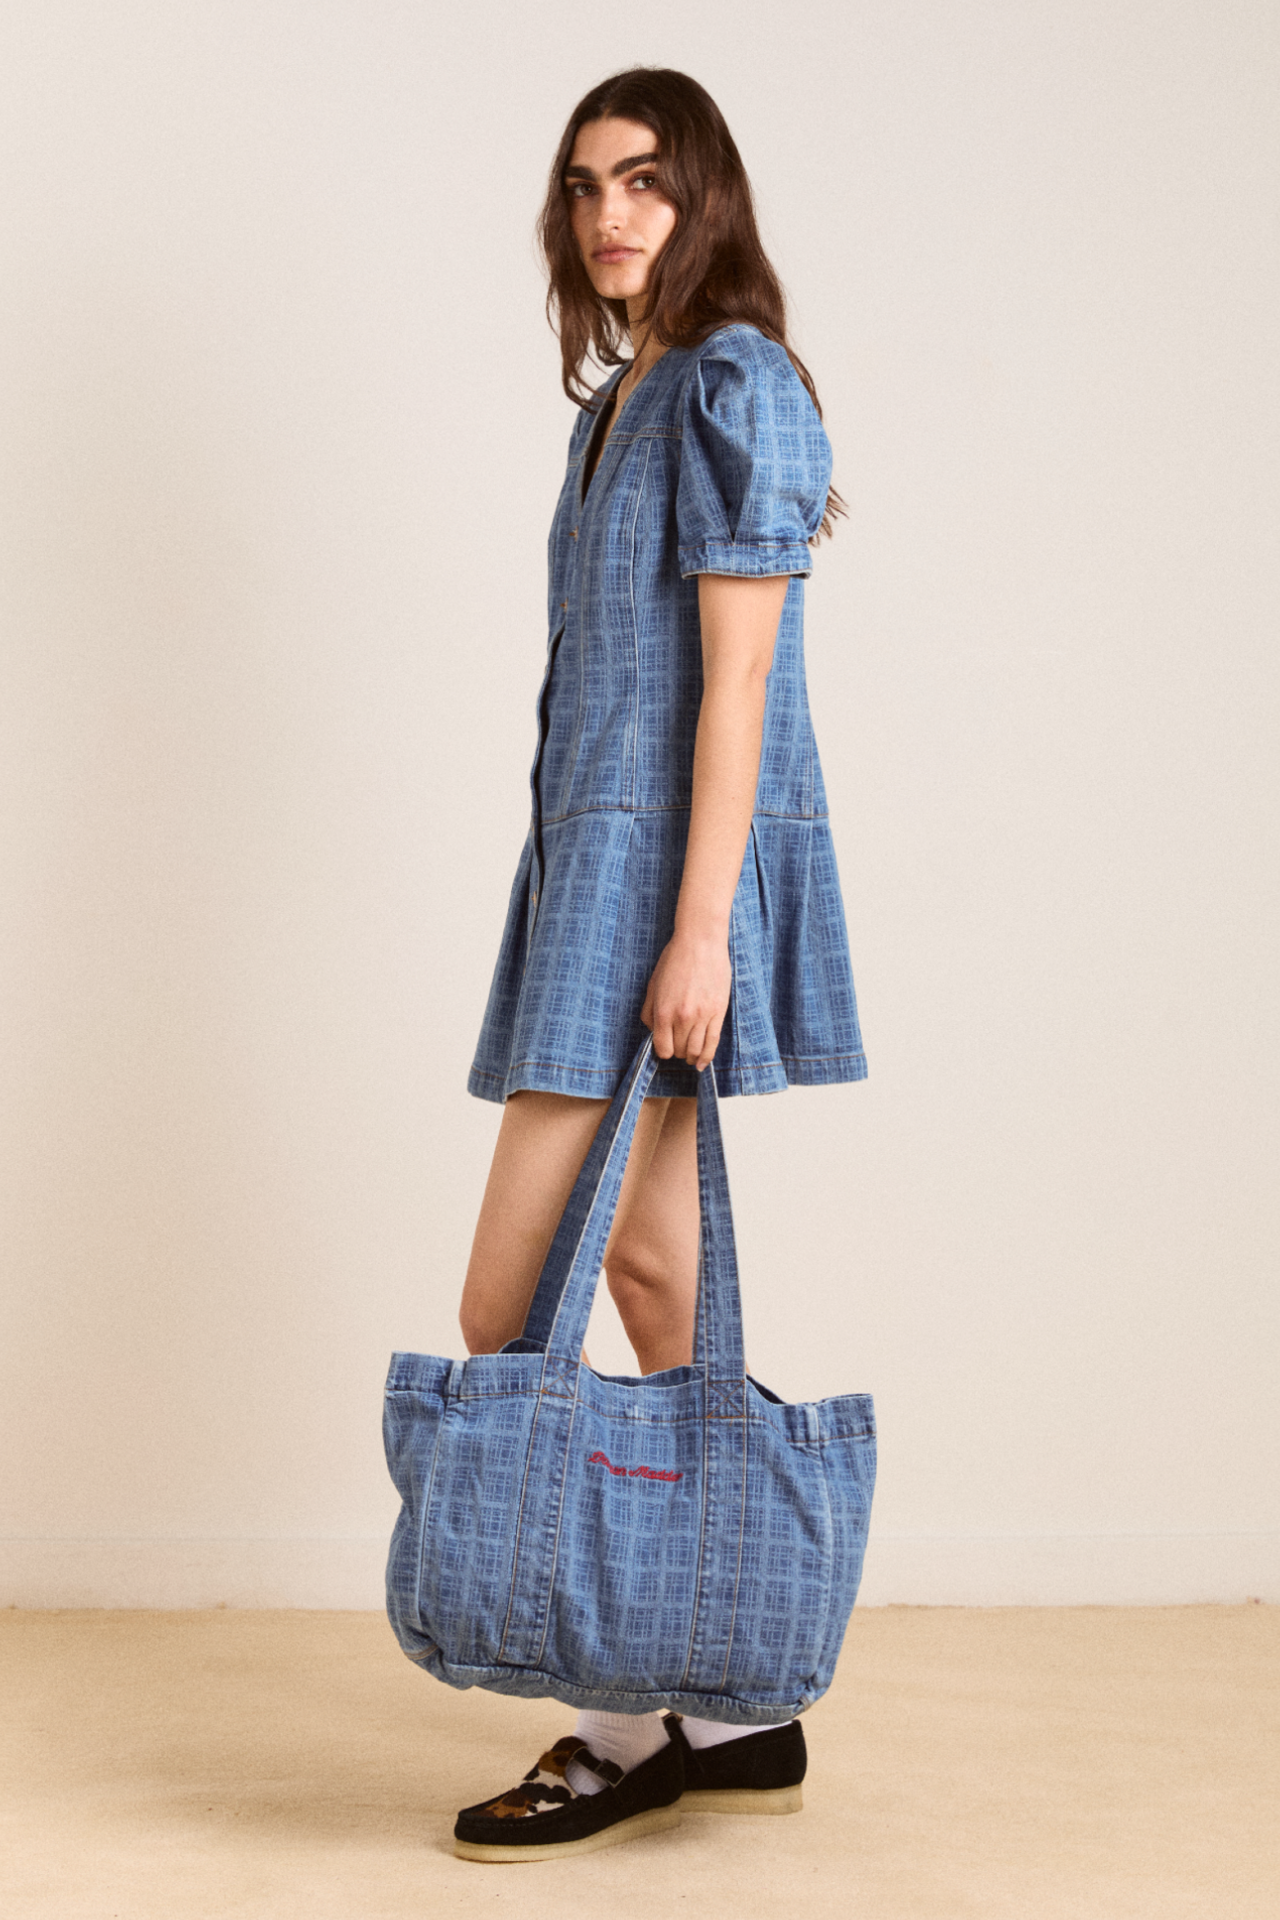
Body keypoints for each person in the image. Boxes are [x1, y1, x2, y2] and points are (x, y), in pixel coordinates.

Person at [452, 67, 866, 1862]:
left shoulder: (732, 384)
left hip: (656, 885)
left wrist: (699, 929)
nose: (609, 215)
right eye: (583, 186)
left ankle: (625, 1730)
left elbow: (744, 686)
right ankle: (745, 1710)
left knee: (505, 1312)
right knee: (649, 1283)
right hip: (590, 871)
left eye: (643, 181)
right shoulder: (621, 399)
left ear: (705, 198)